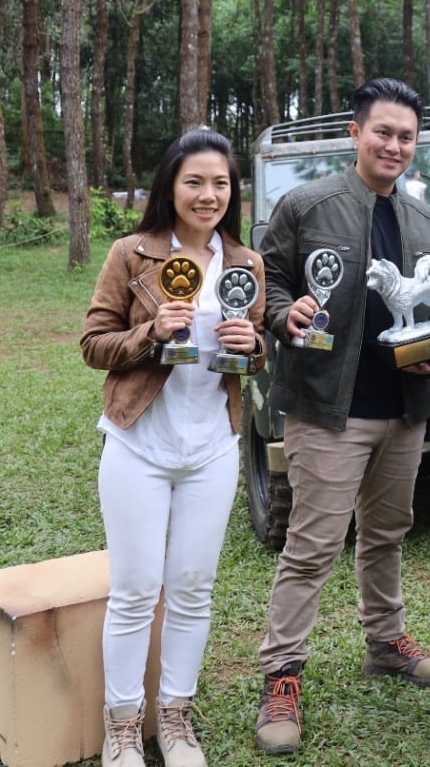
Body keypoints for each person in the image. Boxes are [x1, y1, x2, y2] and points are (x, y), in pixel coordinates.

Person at [254, 78, 430, 756]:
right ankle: (282, 676)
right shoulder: (306, 206)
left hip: (403, 407)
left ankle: (385, 643)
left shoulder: (428, 222)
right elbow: (268, 281)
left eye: (406, 137)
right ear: (355, 133)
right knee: (313, 545)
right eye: (383, 132)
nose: (394, 146)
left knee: (388, 532)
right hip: (327, 408)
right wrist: (284, 313)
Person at [80, 129, 266, 767]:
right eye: (195, 182)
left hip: (211, 449)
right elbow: (93, 345)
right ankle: (123, 728)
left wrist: (251, 347)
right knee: (135, 591)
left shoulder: (245, 263)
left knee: (192, 588)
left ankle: (176, 720)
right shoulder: (131, 255)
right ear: (170, 187)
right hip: (138, 445)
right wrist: (149, 332)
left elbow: (254, 355)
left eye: (220, 183)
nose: (208, 195)